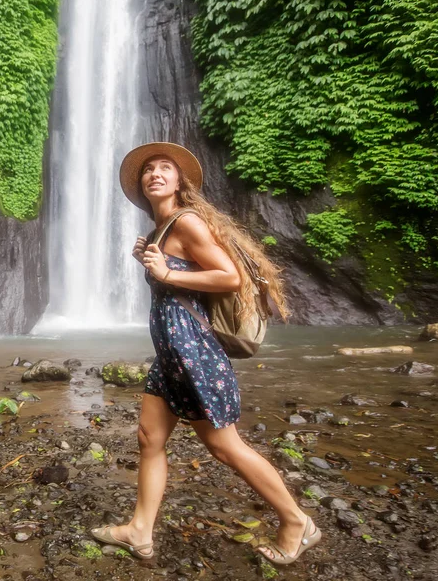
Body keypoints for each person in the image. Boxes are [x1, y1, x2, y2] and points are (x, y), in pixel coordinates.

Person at [91, 142, 321, 565]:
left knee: (224, 447)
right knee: (150, 438)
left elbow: (229, 277)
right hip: (170, 355)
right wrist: (156, 265)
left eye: (165, 168)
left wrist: (164, 273)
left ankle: (296, 520)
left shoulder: (188, 222)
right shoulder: (161, 231)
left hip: (193, 352)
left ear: (180, 182)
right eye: (148, 170)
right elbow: (177, 279)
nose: (155, 174)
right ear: (142, 185)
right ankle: (140, 531)